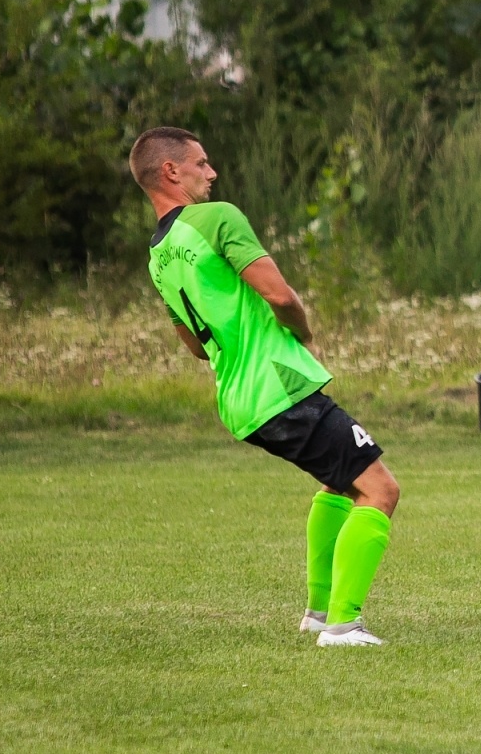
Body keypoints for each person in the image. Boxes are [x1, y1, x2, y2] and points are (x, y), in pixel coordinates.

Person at [132, 126, 399, 647]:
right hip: (280, 384)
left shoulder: (158, 255)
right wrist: (302, 333)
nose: (211, 173)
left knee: (340, 483)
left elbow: (191, 344)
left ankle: (320, 614)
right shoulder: (218, 218)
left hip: (238, 398)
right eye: (202, 163)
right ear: (171, 171)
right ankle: (344, 625)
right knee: (381, 489)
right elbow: (280, 296)